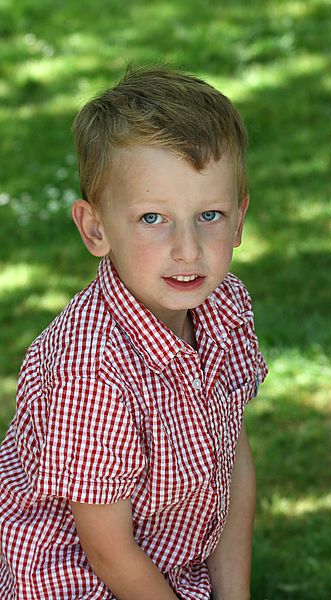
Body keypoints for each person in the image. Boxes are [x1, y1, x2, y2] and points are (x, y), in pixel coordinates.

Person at [0, 65, 268, 600]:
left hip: (168, 569)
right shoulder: (90, 370)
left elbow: (231, 461)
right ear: (96, 228)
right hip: (75, 583)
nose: (187, 249)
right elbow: (106, 549)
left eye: (209, 214)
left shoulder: (227, 307)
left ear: (239, 219)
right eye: (152, 219)